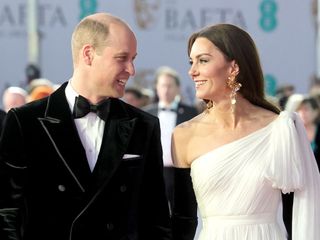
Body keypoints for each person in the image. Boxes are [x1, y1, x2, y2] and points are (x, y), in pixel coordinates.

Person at [0, 12, 171, 240]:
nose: (131, 70)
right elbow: (6, 213)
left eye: (133, 59)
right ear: (88, 55)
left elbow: (155, 218)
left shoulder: (144, 125)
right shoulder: (25, 121)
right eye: (122, 58)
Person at [171, 23, 320, 240]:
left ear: (233, 68)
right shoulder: (184, 135)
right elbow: (183, 219)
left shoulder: (281, 128)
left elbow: (299, 212)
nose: (192, 71)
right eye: (191, 61)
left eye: (203, 60)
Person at [143, 66, 198, 213]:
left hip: (180, 172)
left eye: (169, 86)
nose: (166, 90)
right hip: (155, 171)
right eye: (162, 86)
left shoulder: (190, 113)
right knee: (153, 212)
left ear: (178, 88)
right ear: (157, 88)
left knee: (181, 212)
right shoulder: (148, 112)